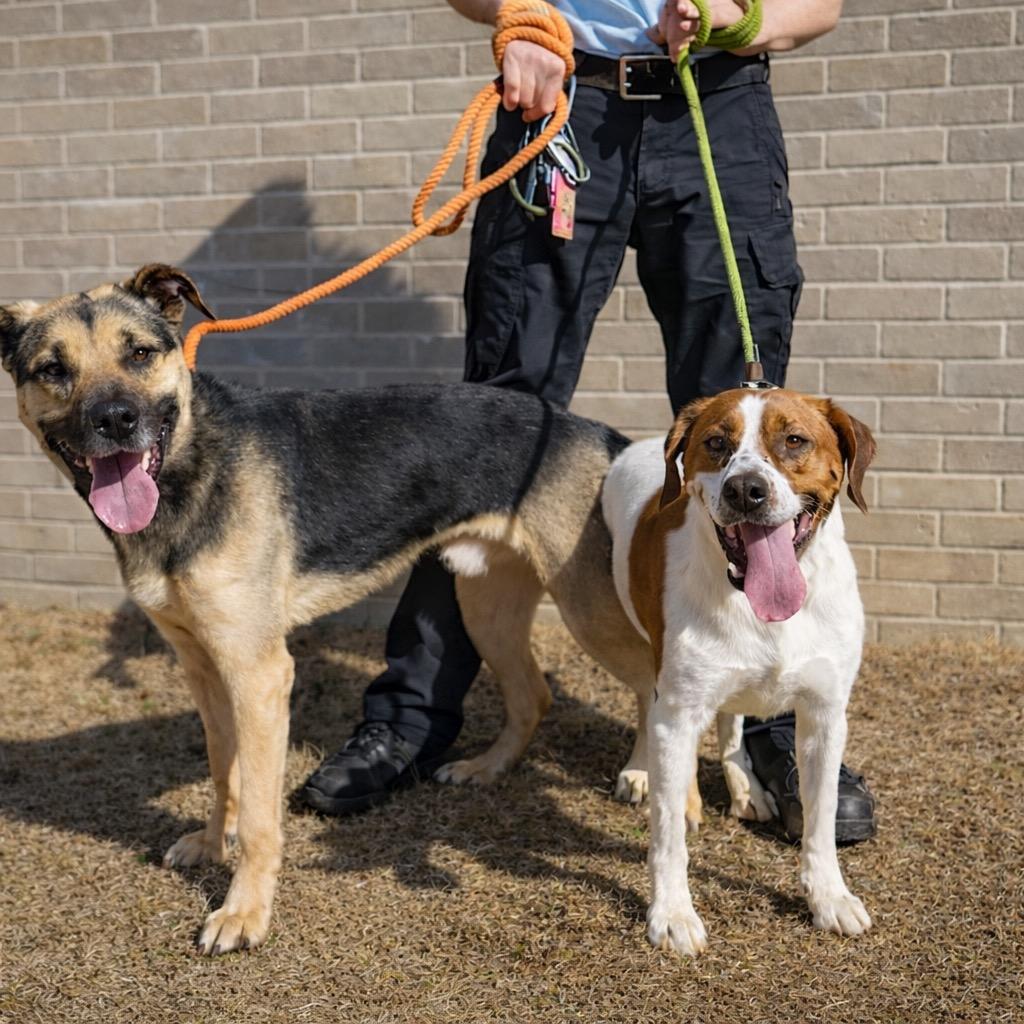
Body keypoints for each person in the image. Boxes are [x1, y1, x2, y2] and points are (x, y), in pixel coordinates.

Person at [301, 0, 877, 843]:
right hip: (563, 102)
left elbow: (817, 6)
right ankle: (413, 717)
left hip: (719, 102)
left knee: (754, 431)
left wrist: (738, 13)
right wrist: (522, 16)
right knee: (489, 438)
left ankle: (775, 728)